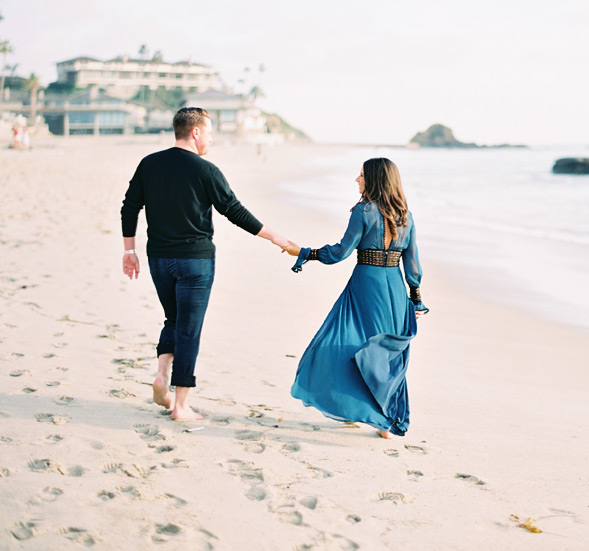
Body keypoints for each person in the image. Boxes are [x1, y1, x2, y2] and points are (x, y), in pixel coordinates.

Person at [120, 107, 292, 421]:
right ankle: (181, 405)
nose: (211, 139)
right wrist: (273, 237)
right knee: (189, 329)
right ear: (195, 132)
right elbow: (234, 210)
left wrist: (128, 251)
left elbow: (129, 207)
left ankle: (161, 374)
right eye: (209, 133)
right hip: (195, 261)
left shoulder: (149, 164)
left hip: (158, 257)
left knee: (172, 317)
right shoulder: (205, 170)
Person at [285, 158, 429, 438]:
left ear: (374, 179)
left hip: (367, 285)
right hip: (396, 289)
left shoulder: (364, 211)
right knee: (387, 352)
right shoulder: (406, 216)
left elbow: (340, 252)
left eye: (361, 175)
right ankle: (385, 417)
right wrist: (417, 299)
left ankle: (369, 413)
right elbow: (413, 265)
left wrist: (305, 252)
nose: (356, 179)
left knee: (352, 343)